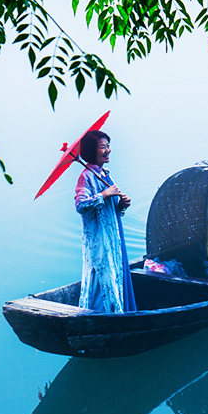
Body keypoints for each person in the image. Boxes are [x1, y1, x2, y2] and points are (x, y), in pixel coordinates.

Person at [75, 130, 137, 312]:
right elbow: (80, 205)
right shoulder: (86, 177)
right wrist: (104, 194)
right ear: (91, 151)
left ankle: (121, 309)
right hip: (100, 238)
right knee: (104, 273)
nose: (108, 150)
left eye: (108, 146)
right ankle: (103, 313)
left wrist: (121, 205)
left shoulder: (104, 174)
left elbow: (109, 209)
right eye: (103, 147)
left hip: (114, 234)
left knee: (118, 271)